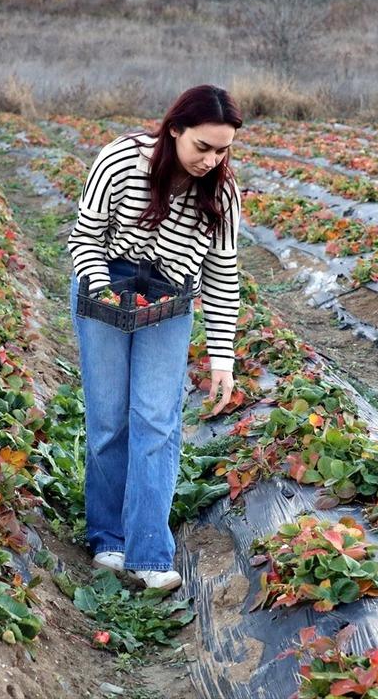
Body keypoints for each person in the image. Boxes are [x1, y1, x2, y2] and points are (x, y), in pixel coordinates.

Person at [67, 85, 243, 591]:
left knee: (156, 419)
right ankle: (108, 537)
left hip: (170, 296)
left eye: (222, 150)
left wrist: (222, 358)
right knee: (109, 418)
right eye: (202, 147)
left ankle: (148, 553)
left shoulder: (222, 193)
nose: (211, 161)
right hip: (106, 279)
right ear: (174, 129)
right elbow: (85, 237)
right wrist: (103, 291)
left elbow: (222, 276)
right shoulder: (120, 161)